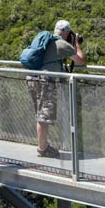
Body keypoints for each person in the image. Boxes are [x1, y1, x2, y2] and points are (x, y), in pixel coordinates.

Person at [30, 19, 86, 158]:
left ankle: (43, 146)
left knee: (40, 114)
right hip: (45, 81)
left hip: (32, 78)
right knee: (44, 116)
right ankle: (42, 149)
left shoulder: (47, 40)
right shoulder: (62, 44)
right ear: (67, 32)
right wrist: (76, 44)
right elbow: (80, 60)